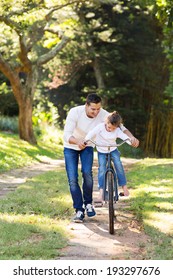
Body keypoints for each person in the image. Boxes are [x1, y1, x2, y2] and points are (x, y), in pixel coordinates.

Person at [63, 93, 139, 223]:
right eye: (93, 109)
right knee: (72, 180)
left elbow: (121, 128)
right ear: (86, 105)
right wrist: (78, 142)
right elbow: (66, 135)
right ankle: (79, 210)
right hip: (71, 146)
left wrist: (131, 138)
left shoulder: (103, 114)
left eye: (98, 109)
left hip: (87, 146)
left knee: (87, 173)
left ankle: (88, 204)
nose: (96, 112)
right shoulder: (75, 112)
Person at [85, 111, 134, 206]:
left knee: (118, 165)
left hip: (113, 149)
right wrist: (86, 140)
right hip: (101, 151)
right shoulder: (100, 127)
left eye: (113, 128)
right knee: (102, 169)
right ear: (106, 122)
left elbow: (125, 137)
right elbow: (91, 133)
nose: (111, 129)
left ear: (117, 127)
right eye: (109, 127)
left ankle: (124, 187)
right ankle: (101, 193)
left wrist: (130, 142)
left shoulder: (117, 130)